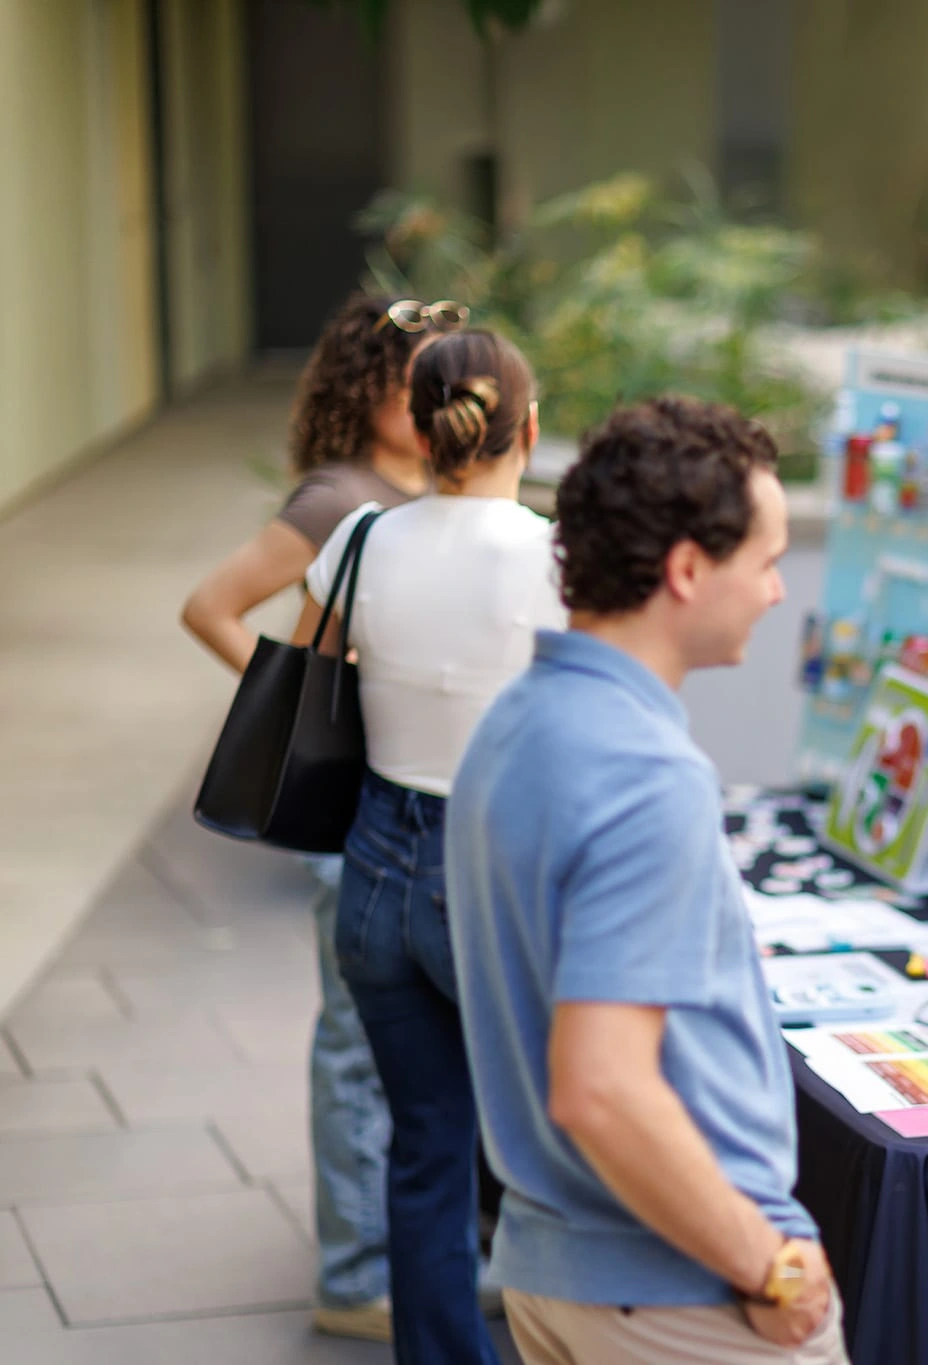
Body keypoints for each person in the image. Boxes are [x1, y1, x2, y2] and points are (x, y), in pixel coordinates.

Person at [445, 396, 846, 1364]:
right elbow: (602, 1091)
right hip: (681, 1295)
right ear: (686, 570)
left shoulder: (511, 727)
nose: (776, 591)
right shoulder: (642, 773)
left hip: (561, 1270)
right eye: (765, 561)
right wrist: (770, 1268)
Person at [181, 292, 455, 1342]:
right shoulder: (340, 498)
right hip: (356, 807)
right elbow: (211, 607)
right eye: (413, 382)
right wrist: (294, 714)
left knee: (382, 1040)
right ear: (368, 391)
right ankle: (352, 1278)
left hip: (400, 805)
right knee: (352, 1044)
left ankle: (383, 1253)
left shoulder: (415, 491)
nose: (433, 402)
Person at [295, 327, 565, 1364]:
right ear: (527, 429)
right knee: (544, 1156)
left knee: (425, 1150)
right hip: (491, 875)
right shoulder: (552, 556)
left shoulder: (359, 538)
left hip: (372, 869)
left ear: (415, 424)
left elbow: (318, 667)